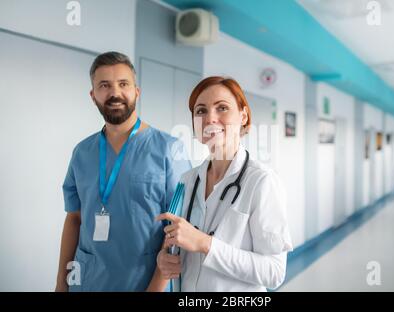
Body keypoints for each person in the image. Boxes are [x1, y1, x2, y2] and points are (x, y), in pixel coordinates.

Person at [55, 51, 191, 291]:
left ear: (136, 92)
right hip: (88, 281)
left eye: (123, 84)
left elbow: (179, 228)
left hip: (144, 282)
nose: (114, 93)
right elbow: (74, 219)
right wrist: (60, 285)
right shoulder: (82, 153)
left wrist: (156, 288)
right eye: (104, 85)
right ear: (93, 95)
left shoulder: (169, 150)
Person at [151, 76, 292, 291]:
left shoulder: (262, 182)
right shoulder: (187, 181)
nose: (210, 119)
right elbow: (180, 246)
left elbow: (274, 272)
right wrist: (165, 259)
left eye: (222, 108)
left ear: (243, 116)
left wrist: (205, 244)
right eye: (201, 111)